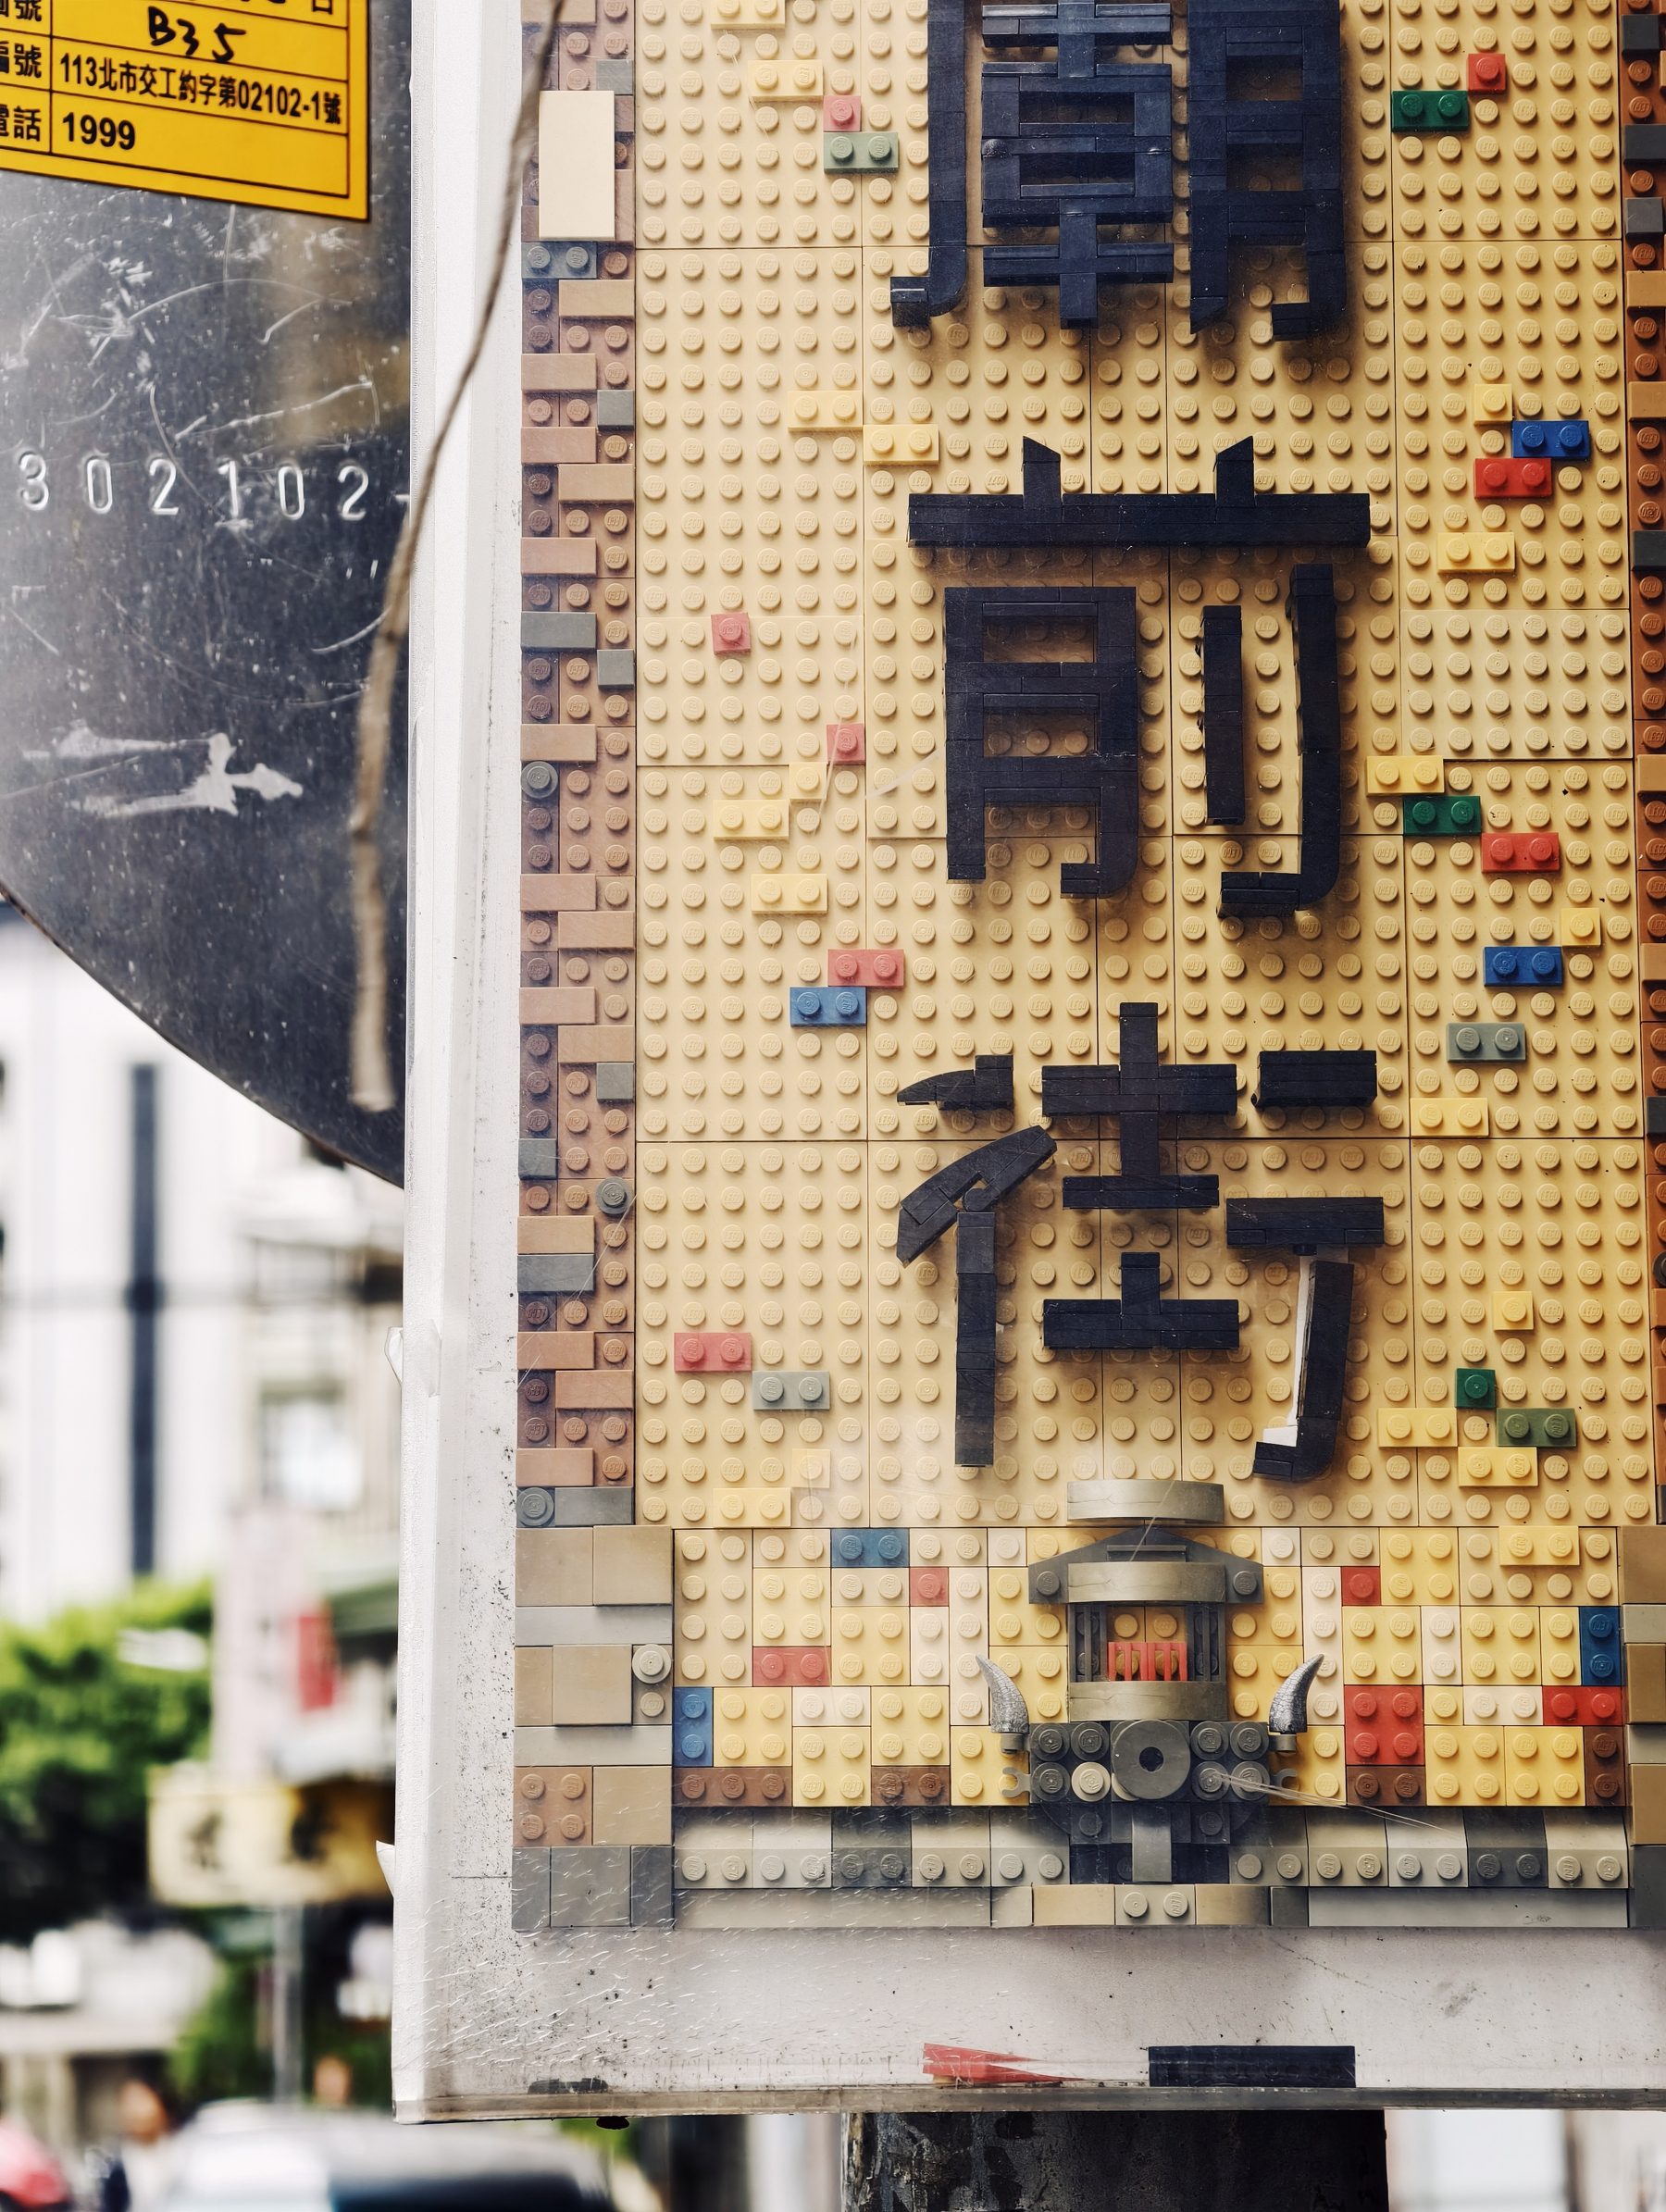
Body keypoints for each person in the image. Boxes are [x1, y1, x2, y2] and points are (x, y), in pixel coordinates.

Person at [96, 2080, 178, 2212]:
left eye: (141, 2102)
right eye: (129, 2105)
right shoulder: (117, 2167)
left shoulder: (183, 2153)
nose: (137, 2112)